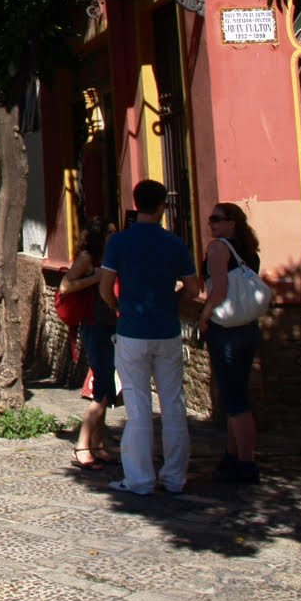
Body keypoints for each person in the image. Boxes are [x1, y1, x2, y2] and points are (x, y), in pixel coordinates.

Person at [99, 179, 201, 496]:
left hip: (132, 331)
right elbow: (193, 288)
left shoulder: (119, 242)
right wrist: (173, 302)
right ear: (161, 207)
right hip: (167, 331)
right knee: (173, 403)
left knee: (138, 406)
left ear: (136, 203)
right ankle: (174, 477)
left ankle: (140, 479)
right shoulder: (175, 243)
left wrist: (117, 305)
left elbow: (105, 287)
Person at [197, 202, 262, 483]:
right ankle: (232, 455)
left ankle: (246, 462)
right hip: (248, 327)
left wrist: (204, 316)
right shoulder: (248, 251)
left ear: (231, 222)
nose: (210, 224)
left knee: (235, 400)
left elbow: (220, 290)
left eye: (216, 219)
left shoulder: (218, 249)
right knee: (237, 392)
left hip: (225, 328)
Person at [61, 216, 117, 471]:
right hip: (95, 327)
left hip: (109, 326)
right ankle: (82, 445)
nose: (115, 236)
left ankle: (98, 443)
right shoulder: (87, 258)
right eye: (110, 232)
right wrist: (95, 278)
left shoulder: (109, 257)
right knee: (102, 387)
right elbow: (65, 286)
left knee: (106, 385)